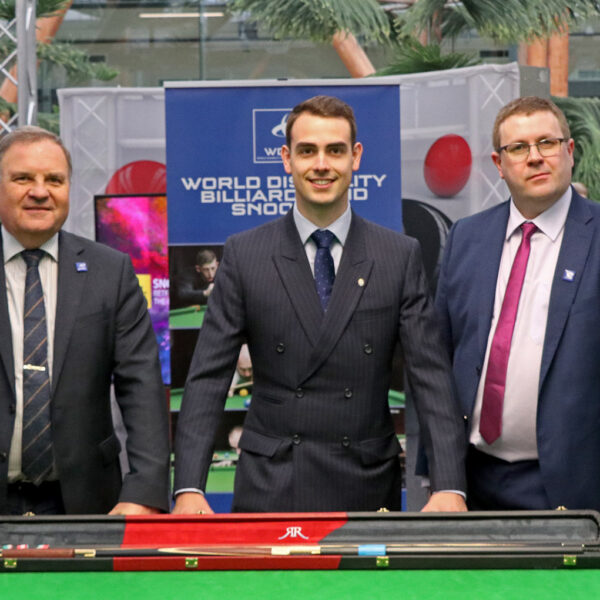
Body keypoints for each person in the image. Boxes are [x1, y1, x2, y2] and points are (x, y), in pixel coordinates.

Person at [173, 95, 467, 514]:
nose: (321, 164)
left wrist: (450, 486)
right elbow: (207, 380)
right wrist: (188, 488)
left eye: (335, 150)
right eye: (307, 151)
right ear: (286, 159)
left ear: (356, 157)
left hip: (364, 482)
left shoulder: (397, 255)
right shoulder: (246, 253)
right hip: (270, 483)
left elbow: (431, 378)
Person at [435, 96, 600, 510]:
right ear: (499, 163)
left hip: (576, 486)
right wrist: (443, 478)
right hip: (472, 481)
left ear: (569, 151)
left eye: (547, 143)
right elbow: (437, 358)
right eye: (519, 148)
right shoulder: (465, 238)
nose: (535, 158)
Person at [0, 126, 170, 515]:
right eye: (23, 178)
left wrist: (144, 492)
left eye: (54, 180)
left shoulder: (110, 271)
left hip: (89, 503)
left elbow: (141, 385)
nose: (40, 191)